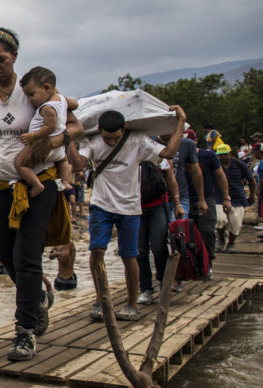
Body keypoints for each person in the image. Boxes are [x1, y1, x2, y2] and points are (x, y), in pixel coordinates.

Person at [0, 28, 83, 361]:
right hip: (0, 186)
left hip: (38, 185)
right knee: (8, 257)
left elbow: (76, 126)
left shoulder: (36, 92)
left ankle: (24, 332)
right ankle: (38, 296)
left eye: (1, 59)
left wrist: (51, 142)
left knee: (27, 257)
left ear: (14, 57)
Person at [66, 108, 185, 322]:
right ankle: (101, 298)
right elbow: (78, 165)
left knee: (129, 255)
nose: (111, 142)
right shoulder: (92, 142)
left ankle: (131, 303)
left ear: (124, 130)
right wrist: (67, 139)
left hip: (129, 207)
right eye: (107, 138)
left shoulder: (138, 141)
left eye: (116, 138)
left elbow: (168, 154)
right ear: (99, 131)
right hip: (101, 205)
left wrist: (180, 123)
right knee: (97, 249)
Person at [14, 66, 77, 196]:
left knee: (20, 164)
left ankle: (36, 184)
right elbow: (75, 104)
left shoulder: (46, 108)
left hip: (41, 144)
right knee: (63, 160)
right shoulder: (62, 100)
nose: (30, 100)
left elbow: (49, 127)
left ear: (47, 88)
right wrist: (67, 102)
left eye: (32, 95)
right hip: (59, 148)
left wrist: (33, 136)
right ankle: (65, 182)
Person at [136, 157, 182, 305]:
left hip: (158, 206)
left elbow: (170, 178)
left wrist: (177, 204)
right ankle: (146, 289)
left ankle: (164, 282)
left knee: (159, 246)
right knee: (140, 250)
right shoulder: (127, 152)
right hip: (134, 209)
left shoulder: (159, 153)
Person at [191, 143, 231, 269]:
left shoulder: (208, 156)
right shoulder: (175, 155)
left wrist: (226, 198)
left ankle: (207, 263)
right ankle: (190, 265)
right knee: (188, 234)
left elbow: (220, 175)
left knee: (207, 231)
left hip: (207, 197)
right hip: (184, 198)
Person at [216, 144, 256, 251]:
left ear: (231, 154)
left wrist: (252, 195)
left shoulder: (240, 165)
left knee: (235, 223)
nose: (223, 157)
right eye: (221, 155)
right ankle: (220, 239)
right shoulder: (215, 165)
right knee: (219, 219)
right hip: (218, 197)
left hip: (237, 197)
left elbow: (251, 180)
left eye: (225, 154)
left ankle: (231, 243)